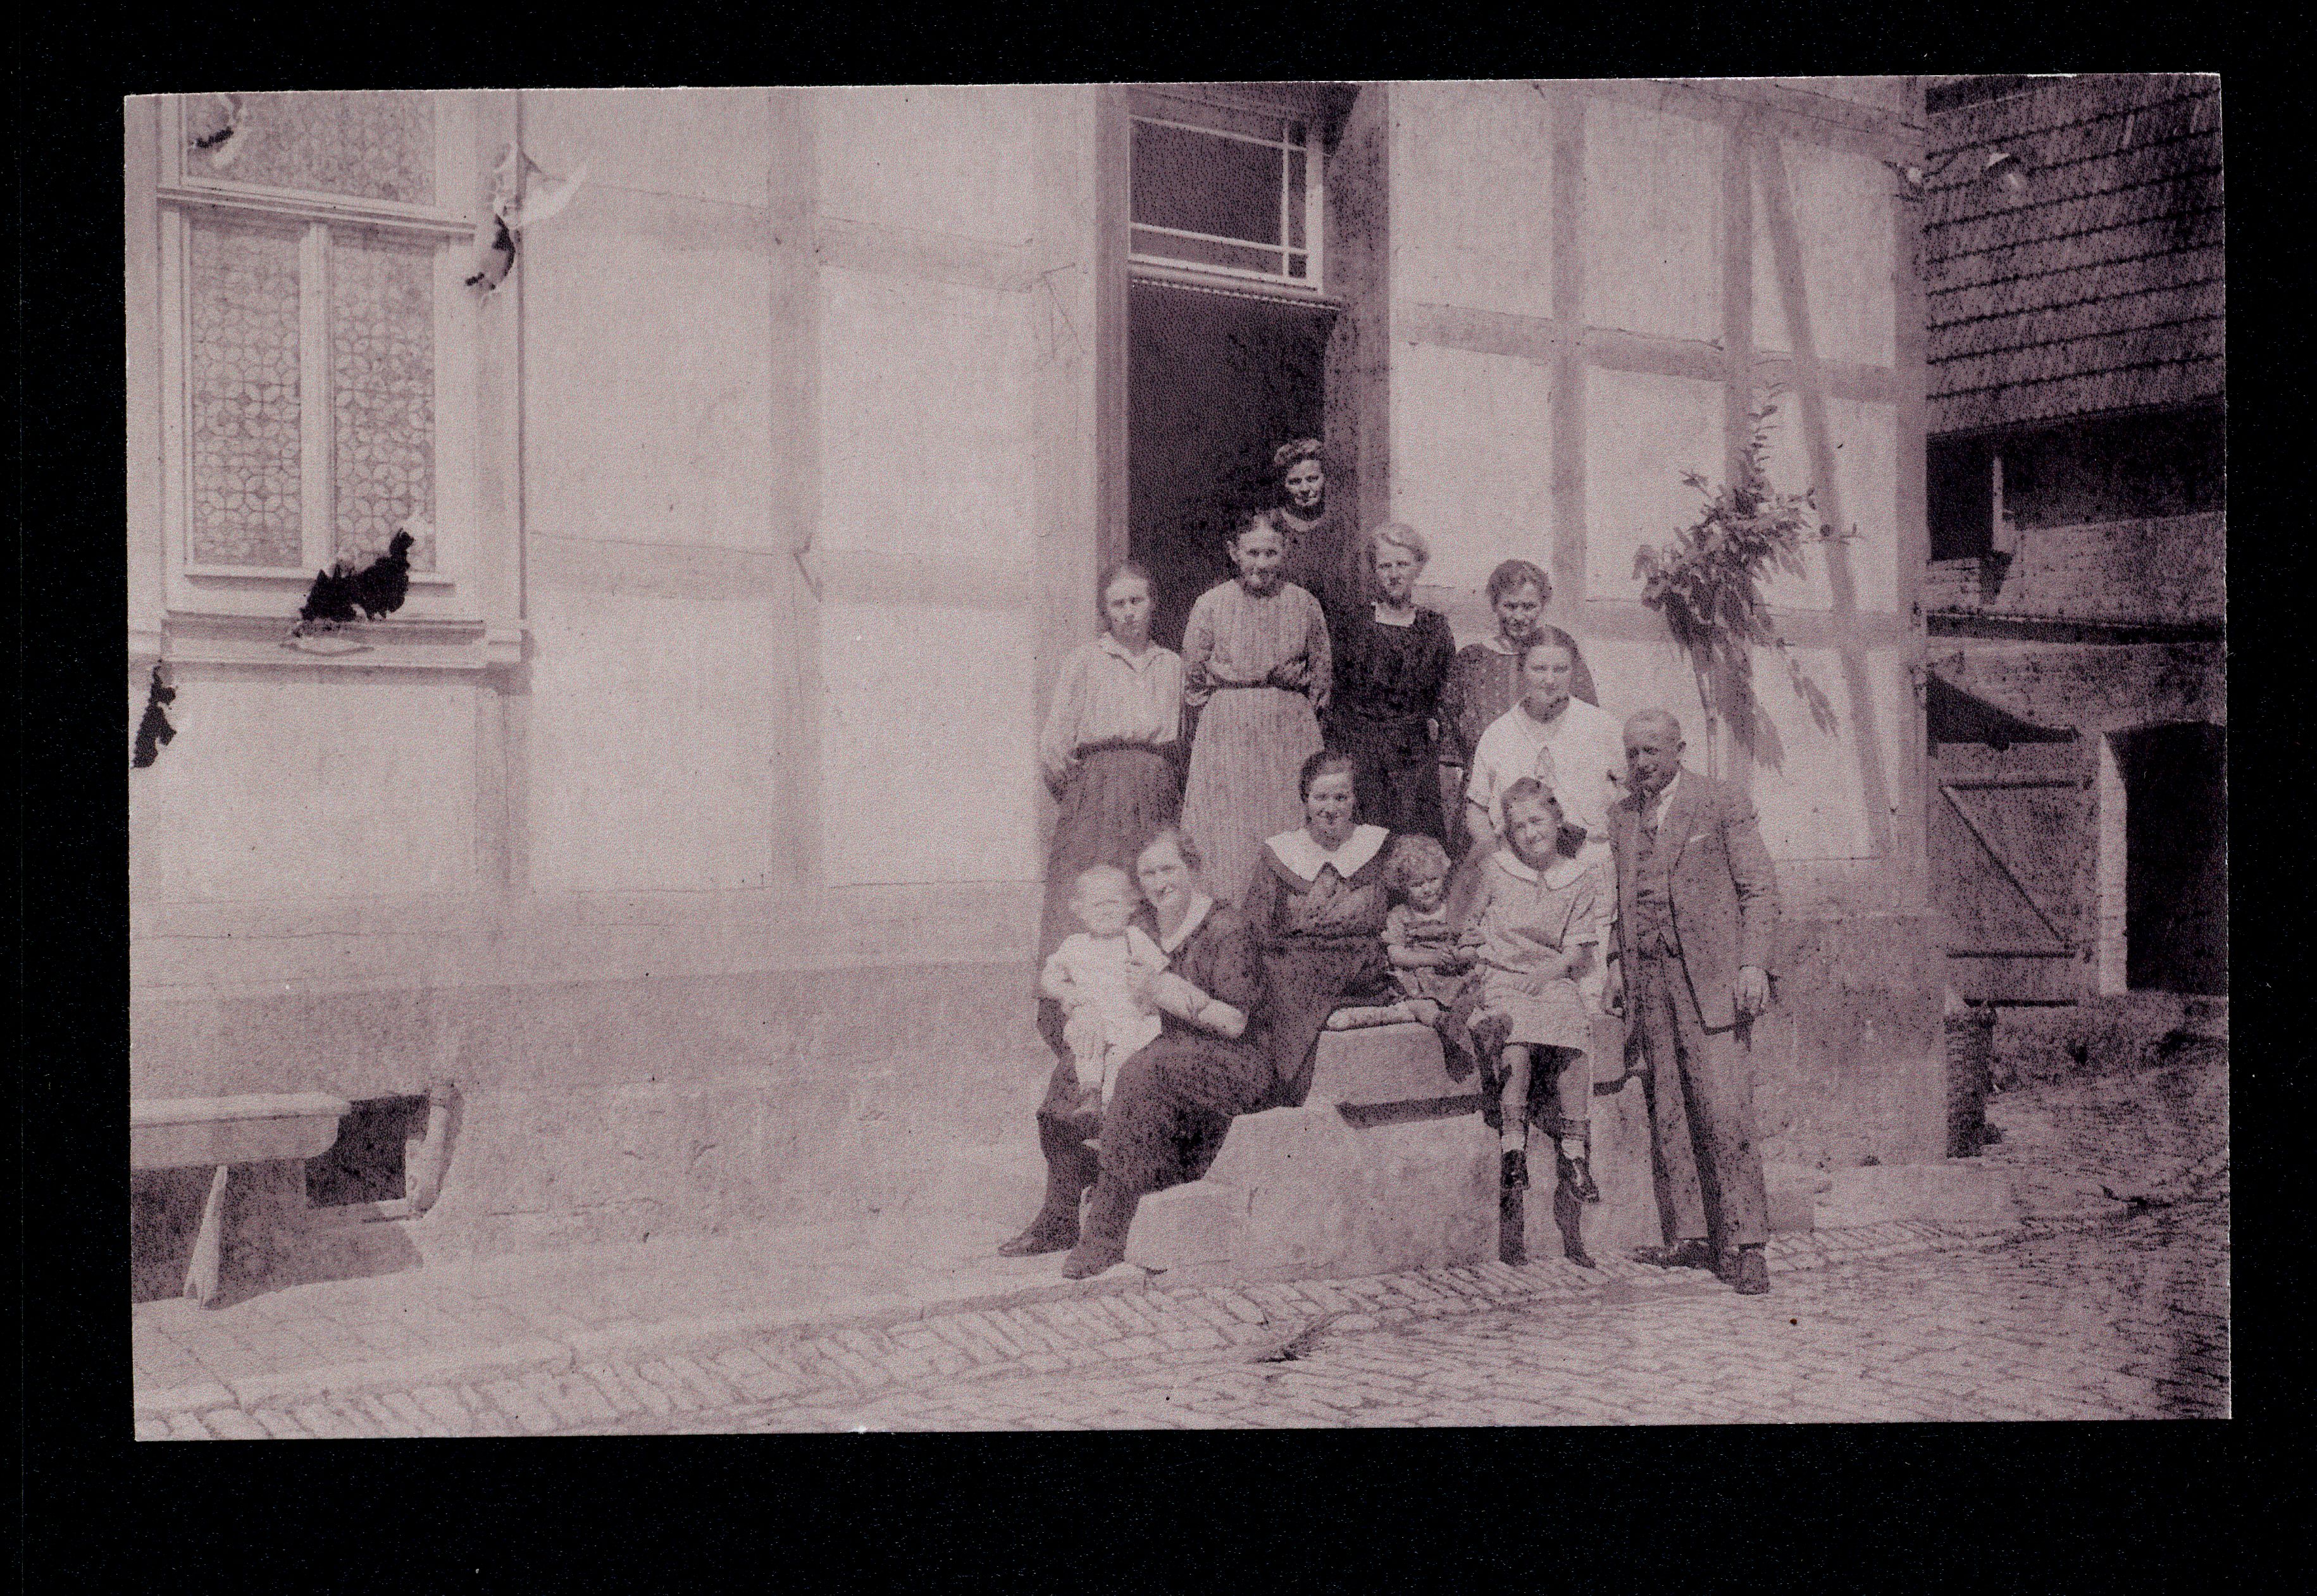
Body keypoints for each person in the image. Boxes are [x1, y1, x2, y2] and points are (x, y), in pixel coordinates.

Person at [1605, 709, 1783, 1297]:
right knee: (1672, 1105)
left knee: (1725, 1110)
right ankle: (1694, 1235)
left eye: (1652, 751)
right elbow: (1620, 899)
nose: (1641, 763)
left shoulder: (1720, 801)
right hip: (1649, 980)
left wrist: (1753, 963)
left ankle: (1748, 1245)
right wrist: (1616, 963)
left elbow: (1759, 888)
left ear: (1679, 750)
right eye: (1633, 752)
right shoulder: (1622, 816)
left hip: (1711, 980)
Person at [1043, 827, 1271, 1275]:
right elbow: (1081, 980)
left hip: (1227, 1058)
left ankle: (1106, 1230)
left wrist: (1163, 989)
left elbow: (1235, 1022)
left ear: (1193, 869)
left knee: (1140, 1070)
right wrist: (1080, 1008)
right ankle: (1059, 1212)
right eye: (1148, 873)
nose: (1159, 882)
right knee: (1073, 1068)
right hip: (1162, 1044)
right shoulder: (1139, 927)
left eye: (1169, 869)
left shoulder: (1227, 927)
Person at [1034, 560, 1184, 1063]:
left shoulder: (1172, 664)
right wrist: (1086, 794)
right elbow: (1055, 748)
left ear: (1153, 604)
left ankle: (1146, 1025)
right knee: (1094, 890)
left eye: (1137, 601)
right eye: (1117, 604)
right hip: (1096, 790)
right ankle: (1083, 1027)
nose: (1128, 612)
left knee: (1150, 892)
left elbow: (1184, 741)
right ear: (1105, 610)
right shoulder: (1084, 661)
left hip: (1154, 787)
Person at [1458, 779, 1606, 1267]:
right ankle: (1513, 1150)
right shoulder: (1497, 870)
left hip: (1549, 976)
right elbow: (1469, 922)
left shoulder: (1577, 877)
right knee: (1516, 1039)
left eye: (1537, 821)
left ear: (1557, 820)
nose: (1530, 833)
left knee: (1574, 1034)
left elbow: (1577, 949)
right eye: (1519, 826)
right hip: (1502, 975)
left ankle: (1574, 1152)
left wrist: (1549, 973)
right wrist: (1472, 949)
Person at [1178, 515, 1332, 913]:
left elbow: (1322, 676)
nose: (1262, 564)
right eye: (1253, 553)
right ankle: (1226, 918)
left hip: (1289, 729)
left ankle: (1290, 917)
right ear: (1234, 553)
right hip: (1228, 728)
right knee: (1229, 828)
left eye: (1271, 553)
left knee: (1287, 819)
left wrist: (1295, 705)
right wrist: (1229, 705)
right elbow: (1192, 677)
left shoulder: (1304, 604)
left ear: (1285, 553)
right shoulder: (1211, 604)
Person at [1238, 751, 1401, 1113]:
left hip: (1362, 966)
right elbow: (1254, 926)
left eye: (1341, 797)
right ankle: (1281, 1085)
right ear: (1305, 800)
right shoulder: (1281, 853)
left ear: (1355, 800)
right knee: (1279, 978)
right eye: (1320, 797)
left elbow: (1409, 903)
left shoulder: (1378, 846)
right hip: (1297, 965)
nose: (1330, 809)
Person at [1439, 560, 1601, 860]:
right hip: (1484, 807)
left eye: (1529, 607)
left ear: (1543, 606)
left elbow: (1588, 729)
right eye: (1510, 606)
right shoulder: (1470, 661)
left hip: (1551, 807)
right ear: (1494, 605)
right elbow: (1449, 748)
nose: (1519, 617)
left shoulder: (1560, 656)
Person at [1463, 635, 1626, 897]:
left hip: (1591, 874)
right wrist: (1498, 862)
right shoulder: (1498, 734)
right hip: (1519, 877)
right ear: (1521, 670)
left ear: (1574, 671)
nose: (1550, 680)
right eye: (1539, 669)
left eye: (1560, 669)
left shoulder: (1603, 727)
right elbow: (1476, 808)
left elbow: (1629, 796)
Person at [1324, 523, 1456, 841]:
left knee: (1415, 843)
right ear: (1373, 570)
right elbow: (1337, 697)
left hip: (1415, 758)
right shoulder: (1353, 624)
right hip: (1363, 754)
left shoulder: (1435, 627)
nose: (1394, 574)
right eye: (1385, 566)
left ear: (1418, 568)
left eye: (1403, 564)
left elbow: (1446, 697)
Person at [1040, 865, 1167, 1106]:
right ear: (1080, 910)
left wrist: (1148, 984)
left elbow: (1159, 970)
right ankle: (1090, 1092)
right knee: (1087, 1044)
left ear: (1130, 906)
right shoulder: (1074, 945)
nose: (1106, 911)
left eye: (1114, 903)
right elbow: (1049, 979)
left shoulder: (1134, 938)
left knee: (1128, 1051)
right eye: (1097, 905)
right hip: (1094, 1017)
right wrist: (1068, 993)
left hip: (1131, 1015)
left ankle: (1111, 1099)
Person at [1268, 438, 1361, 619]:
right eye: (1295, 482)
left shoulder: (1339, 526)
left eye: (1312, 479)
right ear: (1283, 484)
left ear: (1324, 478)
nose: (1305, 488)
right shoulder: (1272, 524)